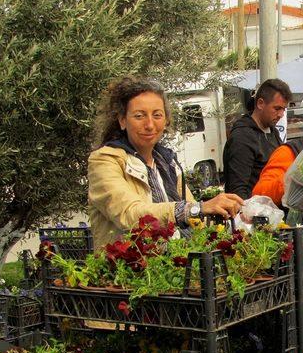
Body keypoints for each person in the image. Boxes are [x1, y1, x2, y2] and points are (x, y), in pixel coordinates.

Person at [88, 76, 244, 250]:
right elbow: (129, 213)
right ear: (122, 121)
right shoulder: (104, 161)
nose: (149, 124)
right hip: (130, 270)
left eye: (157, 115)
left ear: (166, 120)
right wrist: (196, 209)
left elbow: (193, 214)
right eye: (139, 116)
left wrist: (235, 222)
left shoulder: (166, 161)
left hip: (171, 266)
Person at [223, 78, 293, 199]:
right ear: (260, 103)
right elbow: (237, 191)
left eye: (284, 109)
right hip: (252, 213)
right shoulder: (242, 138)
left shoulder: (273, 131)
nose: (281, 114)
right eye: (277, 108)